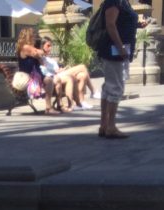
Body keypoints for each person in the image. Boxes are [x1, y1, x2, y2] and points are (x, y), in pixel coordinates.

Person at [96, 0, 139, 138]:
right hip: (114, 51)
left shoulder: (122, 2)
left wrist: (137, 24)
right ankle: (111, 126)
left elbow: (120, 23)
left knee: (109, 87)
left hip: (116, 50)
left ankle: (104, 125)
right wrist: (120, 48)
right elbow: (110, 24)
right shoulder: (114, 1)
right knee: (116, 87)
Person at [40, 37, 96, 111]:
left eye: (51, 46)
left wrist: (61, 69)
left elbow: (55, 69)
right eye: (48, 45)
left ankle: (81, 102)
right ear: (42, 46)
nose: (50, 48)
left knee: (83, 75)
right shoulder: (41, 57)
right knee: (82, 67)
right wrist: (57, 71)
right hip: (54, 76)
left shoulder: (50, 59)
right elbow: (44, 70)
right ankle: (93, 92)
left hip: (60, 74)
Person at [16, 27, 56, 114]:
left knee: (52, 79)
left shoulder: (30, 48)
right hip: (29, 78)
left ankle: (55, 106)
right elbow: (39, 53)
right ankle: (48, 108)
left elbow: (41, 61)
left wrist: (40, 55)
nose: (35, 37)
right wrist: (42, 51)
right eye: (33, 35)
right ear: (27, 36)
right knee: (49, 80)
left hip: (36, 76)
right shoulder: (25, 47)